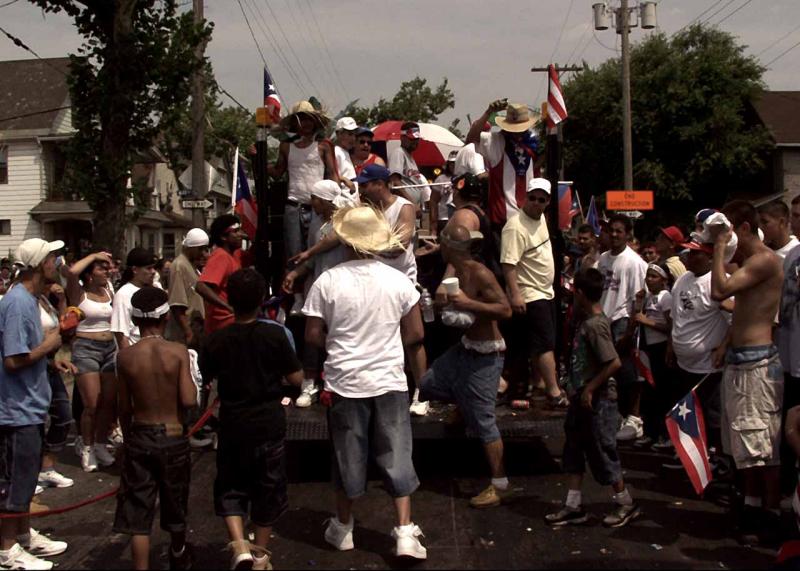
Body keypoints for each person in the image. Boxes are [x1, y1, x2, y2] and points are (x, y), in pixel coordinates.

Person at [303, 206, 428, 560]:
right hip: (389, 379)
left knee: (347, 456)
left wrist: (340, 342)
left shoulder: (327, 281)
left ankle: (344, 528)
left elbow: (312, 335)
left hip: (344, 381)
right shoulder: (399, 281)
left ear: (344, 241)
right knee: (397, 454)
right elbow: (416, 333)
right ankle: (404, 532)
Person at [200, 269, 302, 569]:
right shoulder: (275, 335)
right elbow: (296, 378)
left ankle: (240, 547)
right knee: (267, 488)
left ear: (229, 298)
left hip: (232, 422)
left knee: (230, 486)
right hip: (268, 423)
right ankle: (259, 553)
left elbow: (207, 378)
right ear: (261, 300)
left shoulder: (215, 340)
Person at [420, 224, 512, 508]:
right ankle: (467, 400)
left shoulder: (479, 272)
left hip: (486, 354)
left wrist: (468, 303)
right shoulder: (455, 270)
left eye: (442, 244)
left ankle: (500, 484)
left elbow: (505, 309)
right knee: (428, 383)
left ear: (450, 247)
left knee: (484, 423)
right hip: (466, 348)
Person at [711, 200, 785, 545]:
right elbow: (737, 306)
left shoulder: (766, 260)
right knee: (744, 444)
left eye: (728, 231)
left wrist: (721, 247)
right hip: (740, 359)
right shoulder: (749, 262)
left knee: (763, 445)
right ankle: (753, 506)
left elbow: (719, 290)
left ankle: (771, 514)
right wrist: (726, 345)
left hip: (757, 364)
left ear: (742, 228)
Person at [545, 267, 640, 528]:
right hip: (581, 401)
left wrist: (589, 389)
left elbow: (613, 363)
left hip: (599, 402)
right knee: (574, 450)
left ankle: (625, 503)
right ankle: (573, 505)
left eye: (575, 292)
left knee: (603, 451)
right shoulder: (583, 322)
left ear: (582, 294)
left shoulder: (596, 326)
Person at [113, 286, 197, 571]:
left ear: (136, 321)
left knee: (138, 515)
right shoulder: (177, 352)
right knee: (176, 504)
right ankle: (177, 551)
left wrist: (127, 439)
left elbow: (124, 407)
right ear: (165, 319)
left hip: (140, 435)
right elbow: (188, 399)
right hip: (173, 436)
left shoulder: (125, 357)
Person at [0, 238, 69, 570]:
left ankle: (23, 535)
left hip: (30, 403)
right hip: (16, 409)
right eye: (54, 258)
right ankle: (7, 549)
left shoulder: (30, 299)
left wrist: (52, 361)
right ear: (42, 263)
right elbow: (13, 359)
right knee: (15, 481)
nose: (58, 263)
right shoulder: (16, 303)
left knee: (26, 479)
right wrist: (51, 344)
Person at [356, 164, 429, 416]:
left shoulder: (403, 207)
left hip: (401, 281)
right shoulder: (364, 210)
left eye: (365, 185)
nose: (361, 189)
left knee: (413, 338)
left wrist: (369, 245)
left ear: (380, 184)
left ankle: (422, 391)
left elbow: (401, 242)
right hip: (373, 281)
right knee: (376, 339)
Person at [282, 180, 350, 408]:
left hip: (343, 286)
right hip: (320, 285)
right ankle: (310, 383)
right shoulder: (315, 223)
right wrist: (295, 274)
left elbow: (336, 238)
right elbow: (311, 259)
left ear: (325, 200)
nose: (312, 203)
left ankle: (334, 381)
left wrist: (308, 252)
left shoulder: (347, 217)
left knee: (340, 334)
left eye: (315, 199)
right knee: (312, 334)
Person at [501, 178, 566, 406]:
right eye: (532, 198)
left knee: (536, 344)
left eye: (542, 199)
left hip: (546, 291)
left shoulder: (542, 220)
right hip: (531, 293)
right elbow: (508, 264)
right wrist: (515, 293)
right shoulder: (515, 226)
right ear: (524, 197)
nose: (536, 203)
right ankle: (553, 391)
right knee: (544, 344)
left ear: (547, 201)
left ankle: (538, 385)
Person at [268, 101, 341, 263]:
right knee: (294, 252)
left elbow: (332, 173)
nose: (306, 123)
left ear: (315, 121)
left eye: (309, 119)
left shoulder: (324, 145)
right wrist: (257, 159)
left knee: (319, 245)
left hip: (319, 209)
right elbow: (278, 172)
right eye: (301, 119)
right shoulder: (286, 146)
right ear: (295, 123)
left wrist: (335, 200)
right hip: (294, 207)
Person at [596, 214, 648, 440]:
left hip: (622, 321)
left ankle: (635, 418)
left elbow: (638, 299)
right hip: (603, 321)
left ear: (627, 234)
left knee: (628, 372)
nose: (615, 235)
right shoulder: (603, 259)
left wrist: (630, 331)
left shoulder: (634, 262)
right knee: (608, 374)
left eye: (619, 231)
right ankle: (613, 416)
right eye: (612, 231)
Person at [65, 251, 118, 472]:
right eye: (101, 268)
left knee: (108, 402)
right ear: (89, 274)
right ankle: (86, 446)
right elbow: (72, 272)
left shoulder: (109, 289)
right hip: (86, 349)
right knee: (92, 404)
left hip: (109, 347)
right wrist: (94, 255)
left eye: (107, 268)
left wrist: (106, 262)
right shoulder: (79, 292)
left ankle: (99, 443)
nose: (106, 271)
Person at [466, 100, 542, 228]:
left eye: (521, 128)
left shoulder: (533, 144)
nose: (517, 132)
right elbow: (471, 138)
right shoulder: (495, 141)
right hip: (503, 221)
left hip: (528, 219)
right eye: (514, 129)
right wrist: (488, 112)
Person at [36, 277, 77, 491]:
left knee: (63, 414)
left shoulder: (44, 299)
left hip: (48, 363)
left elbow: (62, 326)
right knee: (34, 422)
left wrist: (61, 300)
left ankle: (46, 467)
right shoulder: (21, 301)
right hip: (32, 365)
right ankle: (27, 474)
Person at [629, 263, 673, 448]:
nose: (649, 280)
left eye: (654, 276)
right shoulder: (647, 297)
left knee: (661, 392)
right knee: (648, 390)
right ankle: (650, 431)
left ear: (663, 280)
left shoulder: (666, 297)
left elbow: (671, 326)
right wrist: (638, 304)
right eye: (648, 276)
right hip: (646, 347)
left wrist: (648, 322)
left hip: (660, 347)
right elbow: (636, 318)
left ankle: (664, 434)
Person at [196, 215, 245, 335]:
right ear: (223, 237)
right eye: (235, 231)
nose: (240, 234)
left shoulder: (235, 254)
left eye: (240, 230)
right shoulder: (220, 256)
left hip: (234, 323)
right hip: (223, 326)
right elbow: (201, 286)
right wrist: (228, 307)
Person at [166, 228, 209, 346]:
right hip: (186, 332)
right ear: (191, 247)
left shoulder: (191, 266)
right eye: (200, 249)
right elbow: (177, 304)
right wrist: (188, 332)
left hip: (198, 327)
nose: (203, 253)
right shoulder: (179, 265)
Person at [111, 247, 158, 349]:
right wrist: (130, 361)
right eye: (148, 268)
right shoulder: (124, 294)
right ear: (135, 270)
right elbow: (121, 333)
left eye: (154, 268)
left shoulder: (156, 289)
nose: (153, 272)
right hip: (136, 351)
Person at [388, 121, 431, 213]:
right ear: (402, 137)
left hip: (411, 206)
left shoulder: (410, 157)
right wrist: (412, 203)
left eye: (416, 139)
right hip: (403, 206)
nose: (415, 142)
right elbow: (395, 182)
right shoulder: (399, 153)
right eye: (411, 139)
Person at [429, 151, 457, 236]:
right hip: (443, 219)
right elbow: (433, 201)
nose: (453, 165)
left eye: (456, 163)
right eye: (451, 163)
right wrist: (433, 226)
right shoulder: (440, 179)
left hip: (459, 218)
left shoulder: (465, 178)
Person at [333, 117, 358, 191]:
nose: (353, 138)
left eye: (354, 135)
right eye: (350, 134)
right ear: (339, 134)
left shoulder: (346, 152)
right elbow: (329, 176)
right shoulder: (335, 152)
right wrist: (343, 179)